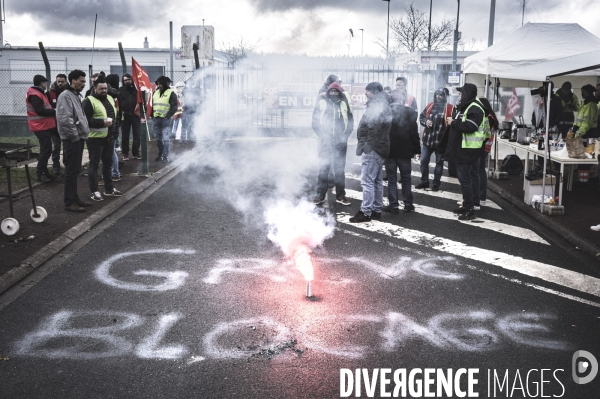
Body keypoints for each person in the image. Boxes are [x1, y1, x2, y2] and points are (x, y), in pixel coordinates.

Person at [443, 83, 488, 221]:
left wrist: (453, 123)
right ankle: (467, 205)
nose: (459, 95)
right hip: (465, 148)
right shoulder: (468, 106)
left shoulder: (474, 107)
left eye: (461, 93)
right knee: (467, 179)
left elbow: (471, 126)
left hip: (468, 149)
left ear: (467, 93)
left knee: (465, 180)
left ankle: (470, 209)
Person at [350, 82, 392, 223]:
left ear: (373, 92)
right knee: (376, 180)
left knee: (367, 180)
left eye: (367, 91)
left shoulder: (377, 106)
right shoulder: (382, 104)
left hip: (374, 149)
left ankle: (366, 211)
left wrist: (367, 147)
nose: (365, 94)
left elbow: (373, 129)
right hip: (380, 148)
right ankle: (376, 209)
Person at [311, 82, 354, 206]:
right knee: (323, 169)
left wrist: (345, 136)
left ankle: (341, 195)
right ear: (328, 92)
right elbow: (314, 122)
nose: (334, 93)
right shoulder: (321, 101)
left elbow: (350, 121)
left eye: (336, 91)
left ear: (339, 92)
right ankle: (320, 195)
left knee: (339, 170)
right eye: (332, 91)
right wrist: (323, 137)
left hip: (340, 143)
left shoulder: (344, 102)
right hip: (325, 143)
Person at [82, 76, 124, 202]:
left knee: (108, 164)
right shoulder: (88, 101)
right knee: (94, 165)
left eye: (106, 88)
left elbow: (115, 117)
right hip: (95, 139)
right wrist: (102, 123)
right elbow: (85, 121)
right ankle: (94, 191)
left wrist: (115, 132)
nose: (104, 91)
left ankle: (109, 189)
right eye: (101, 89)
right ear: (94, 88)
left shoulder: (110, 98)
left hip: (109, 138)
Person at [56, 69, 92, 212]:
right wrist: (75, 137)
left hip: (77, 138)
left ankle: (74, 198)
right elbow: (65, 119)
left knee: (75, 169)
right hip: (72, 139)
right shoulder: (66, 96)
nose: (84, 84)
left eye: (84, 81)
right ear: (73, 81)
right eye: (82, 81)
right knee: (71, 171)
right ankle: (69, 202)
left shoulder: (75, 95)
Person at [383, 89, 420, 214]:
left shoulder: (385, 112)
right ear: (401, 99)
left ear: (390, 99)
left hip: (390, 151)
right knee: (406, 178)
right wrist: (417, 150)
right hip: (405, 151)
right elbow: (414, 133)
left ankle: (393, 205)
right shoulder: (409, 112)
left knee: (392, 179)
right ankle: (408, 203)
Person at [416, 88, 454, 191]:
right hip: (428, 139)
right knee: (423, 160)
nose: (438, 96)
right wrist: (426, 122)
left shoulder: (451, 108)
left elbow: (454, 124)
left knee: (439, 163)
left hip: (441, 141)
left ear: (445, 96)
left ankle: (436, 184)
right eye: (437, 94)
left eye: (441, 95)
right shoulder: (430, 105)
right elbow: (422, 117)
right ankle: (424, 182)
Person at [26, 74, 57, 183]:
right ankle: (40, 173)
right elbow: (39, 110)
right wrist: (54, 111)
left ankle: (44, 172)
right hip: (40, 126)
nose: (46, 84)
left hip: (43, 126)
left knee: (46, 150)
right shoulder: (35, 94)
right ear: (41, 83)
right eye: (45, 82)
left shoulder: (39, 93)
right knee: (46, 150)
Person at [46, 73, 68, 175]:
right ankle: (56, 167)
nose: (60, 83)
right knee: (56, 146)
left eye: (62, 81)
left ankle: (67, 166)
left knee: (67, 146)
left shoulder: (69, 91)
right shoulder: (50, 93)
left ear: (65, 81)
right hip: (55, 125)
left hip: (67, 124)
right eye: (58, 81)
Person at [152, 76, 178, 162]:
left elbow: (174, 106)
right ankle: (161, 154)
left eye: (160, 84)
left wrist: (168, 116)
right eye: (158, 84)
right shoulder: (155, 92)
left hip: (165, 119)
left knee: (166, 138)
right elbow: (151, 104)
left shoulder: (171, 93)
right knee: (158, 138)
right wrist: (152, 115)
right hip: (156, 118)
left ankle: (165, 156)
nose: (159, 85)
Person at [119, 73, 141, 160]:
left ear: (132, 79)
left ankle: (136, 153)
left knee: (137, 135)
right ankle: (125, 153)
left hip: (136, 115)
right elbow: (118, 102)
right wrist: (121, 111)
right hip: (125, 116)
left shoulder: (137, 89)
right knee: (125, 135)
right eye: (125, 80)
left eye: (129, 79)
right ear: (123, 81)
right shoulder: (120, 90)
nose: (127, 81)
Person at [105, 74, 122, 181]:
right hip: (115, 123)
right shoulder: (117, 94)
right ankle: (114, 172)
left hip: (110, 125)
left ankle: (114, 173)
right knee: (112, 151)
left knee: (110, 151)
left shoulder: (109, 95)